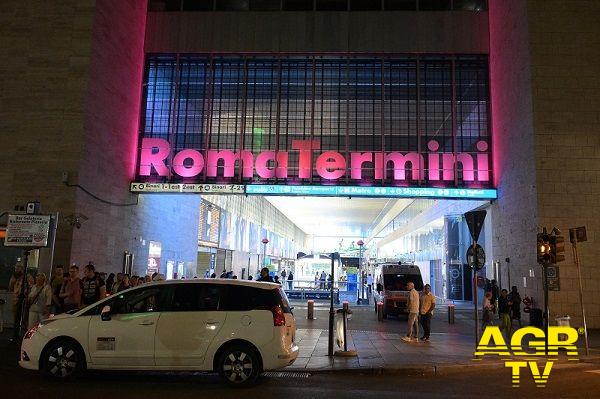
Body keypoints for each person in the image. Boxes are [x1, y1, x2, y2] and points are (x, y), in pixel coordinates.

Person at [9, 263, 25, 339]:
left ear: (21, 268)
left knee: (21, 317)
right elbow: (10, 288)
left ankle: (19, 333)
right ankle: (15, 333)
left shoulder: (25, 277)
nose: (16, 269)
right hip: (15, 299)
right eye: (16, 267)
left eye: (18, 267)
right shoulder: (14, 277)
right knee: (15, 317)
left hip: (22, 300)